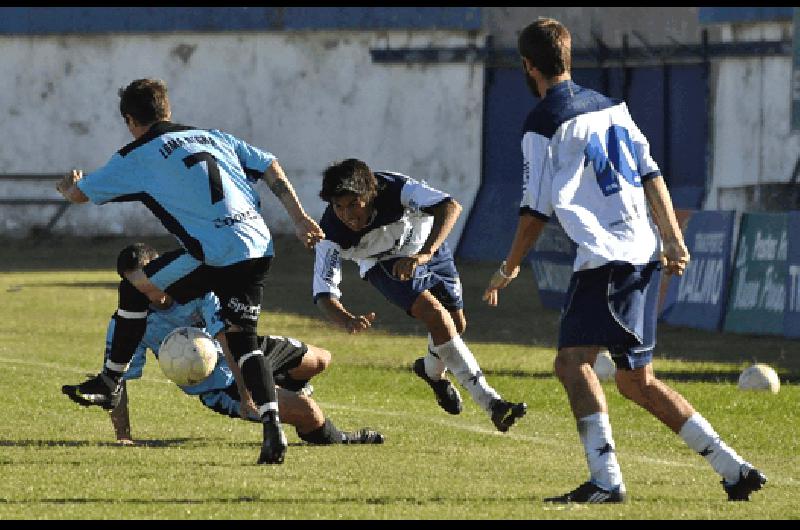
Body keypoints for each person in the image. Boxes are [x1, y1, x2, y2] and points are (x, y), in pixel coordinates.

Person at [483, 18, 766, 503]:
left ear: (529, 67)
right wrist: (673, 239)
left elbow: (533, 210)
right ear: (569, 59)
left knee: (573, 363)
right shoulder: (615, 108)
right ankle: (733, 468)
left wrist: (508, 267)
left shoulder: (542, 122)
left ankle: (606, 481)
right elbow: (651, 174)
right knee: (637, 382)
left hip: (605, 257)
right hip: (640, 252)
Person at [56, 78, 325, 465]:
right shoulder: (213, 136)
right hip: (256, 246)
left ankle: (111, 379)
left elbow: (80, 195)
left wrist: (71, 185)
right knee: (243, 340)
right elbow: (269, 165)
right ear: (167, 110)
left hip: (213, 253)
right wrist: (299, 218)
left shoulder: (138, 154)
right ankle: (272, 427)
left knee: (136, 287)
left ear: (130, 119)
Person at [62, 243, 384, 447]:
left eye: (148, 281)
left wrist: (250, 390)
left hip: (244, 351)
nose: (145, 291)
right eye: (134, 286)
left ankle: (281, 384)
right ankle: (340, 439)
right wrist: (124, 437)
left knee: (322, 359)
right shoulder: (126, 324)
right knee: (310, 414)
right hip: (220, 388)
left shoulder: (196, 289)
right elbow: (118, 382)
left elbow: (227, 338)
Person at [312, 158, 527, 432]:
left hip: (428, 247)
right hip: (382, 263)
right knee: (437, 318)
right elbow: (323, 292)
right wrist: (344, 318)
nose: (347, 215)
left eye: (354, 204)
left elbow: (450, 206)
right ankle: (492, 402)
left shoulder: (395, 187)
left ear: (371, 193)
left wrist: (424, 254)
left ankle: (430, 371)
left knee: (456, 325)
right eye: (338, 207)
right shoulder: (330, 232)